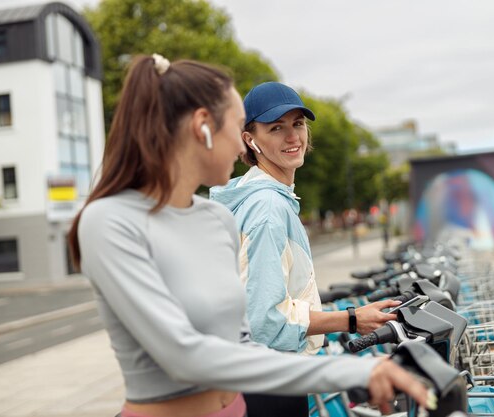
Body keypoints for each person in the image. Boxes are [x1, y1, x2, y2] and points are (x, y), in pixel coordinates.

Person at [67, 55, 432, 417]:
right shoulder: (109, 221)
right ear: (203, 127)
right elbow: (185, 355)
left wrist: (355, 360)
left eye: (297, 125)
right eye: (238, 127)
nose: (241, 150)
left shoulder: (214, 217)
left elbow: (245, 344)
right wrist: (351, 369)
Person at [210, 82, 405, 417]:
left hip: (256, 376)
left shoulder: (260, 199)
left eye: (298, 124)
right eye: (276, 128)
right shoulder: (268, 208)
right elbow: (263, 319)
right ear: (249, 139)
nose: (292, 137)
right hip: (270, 381)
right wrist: (352, 319)